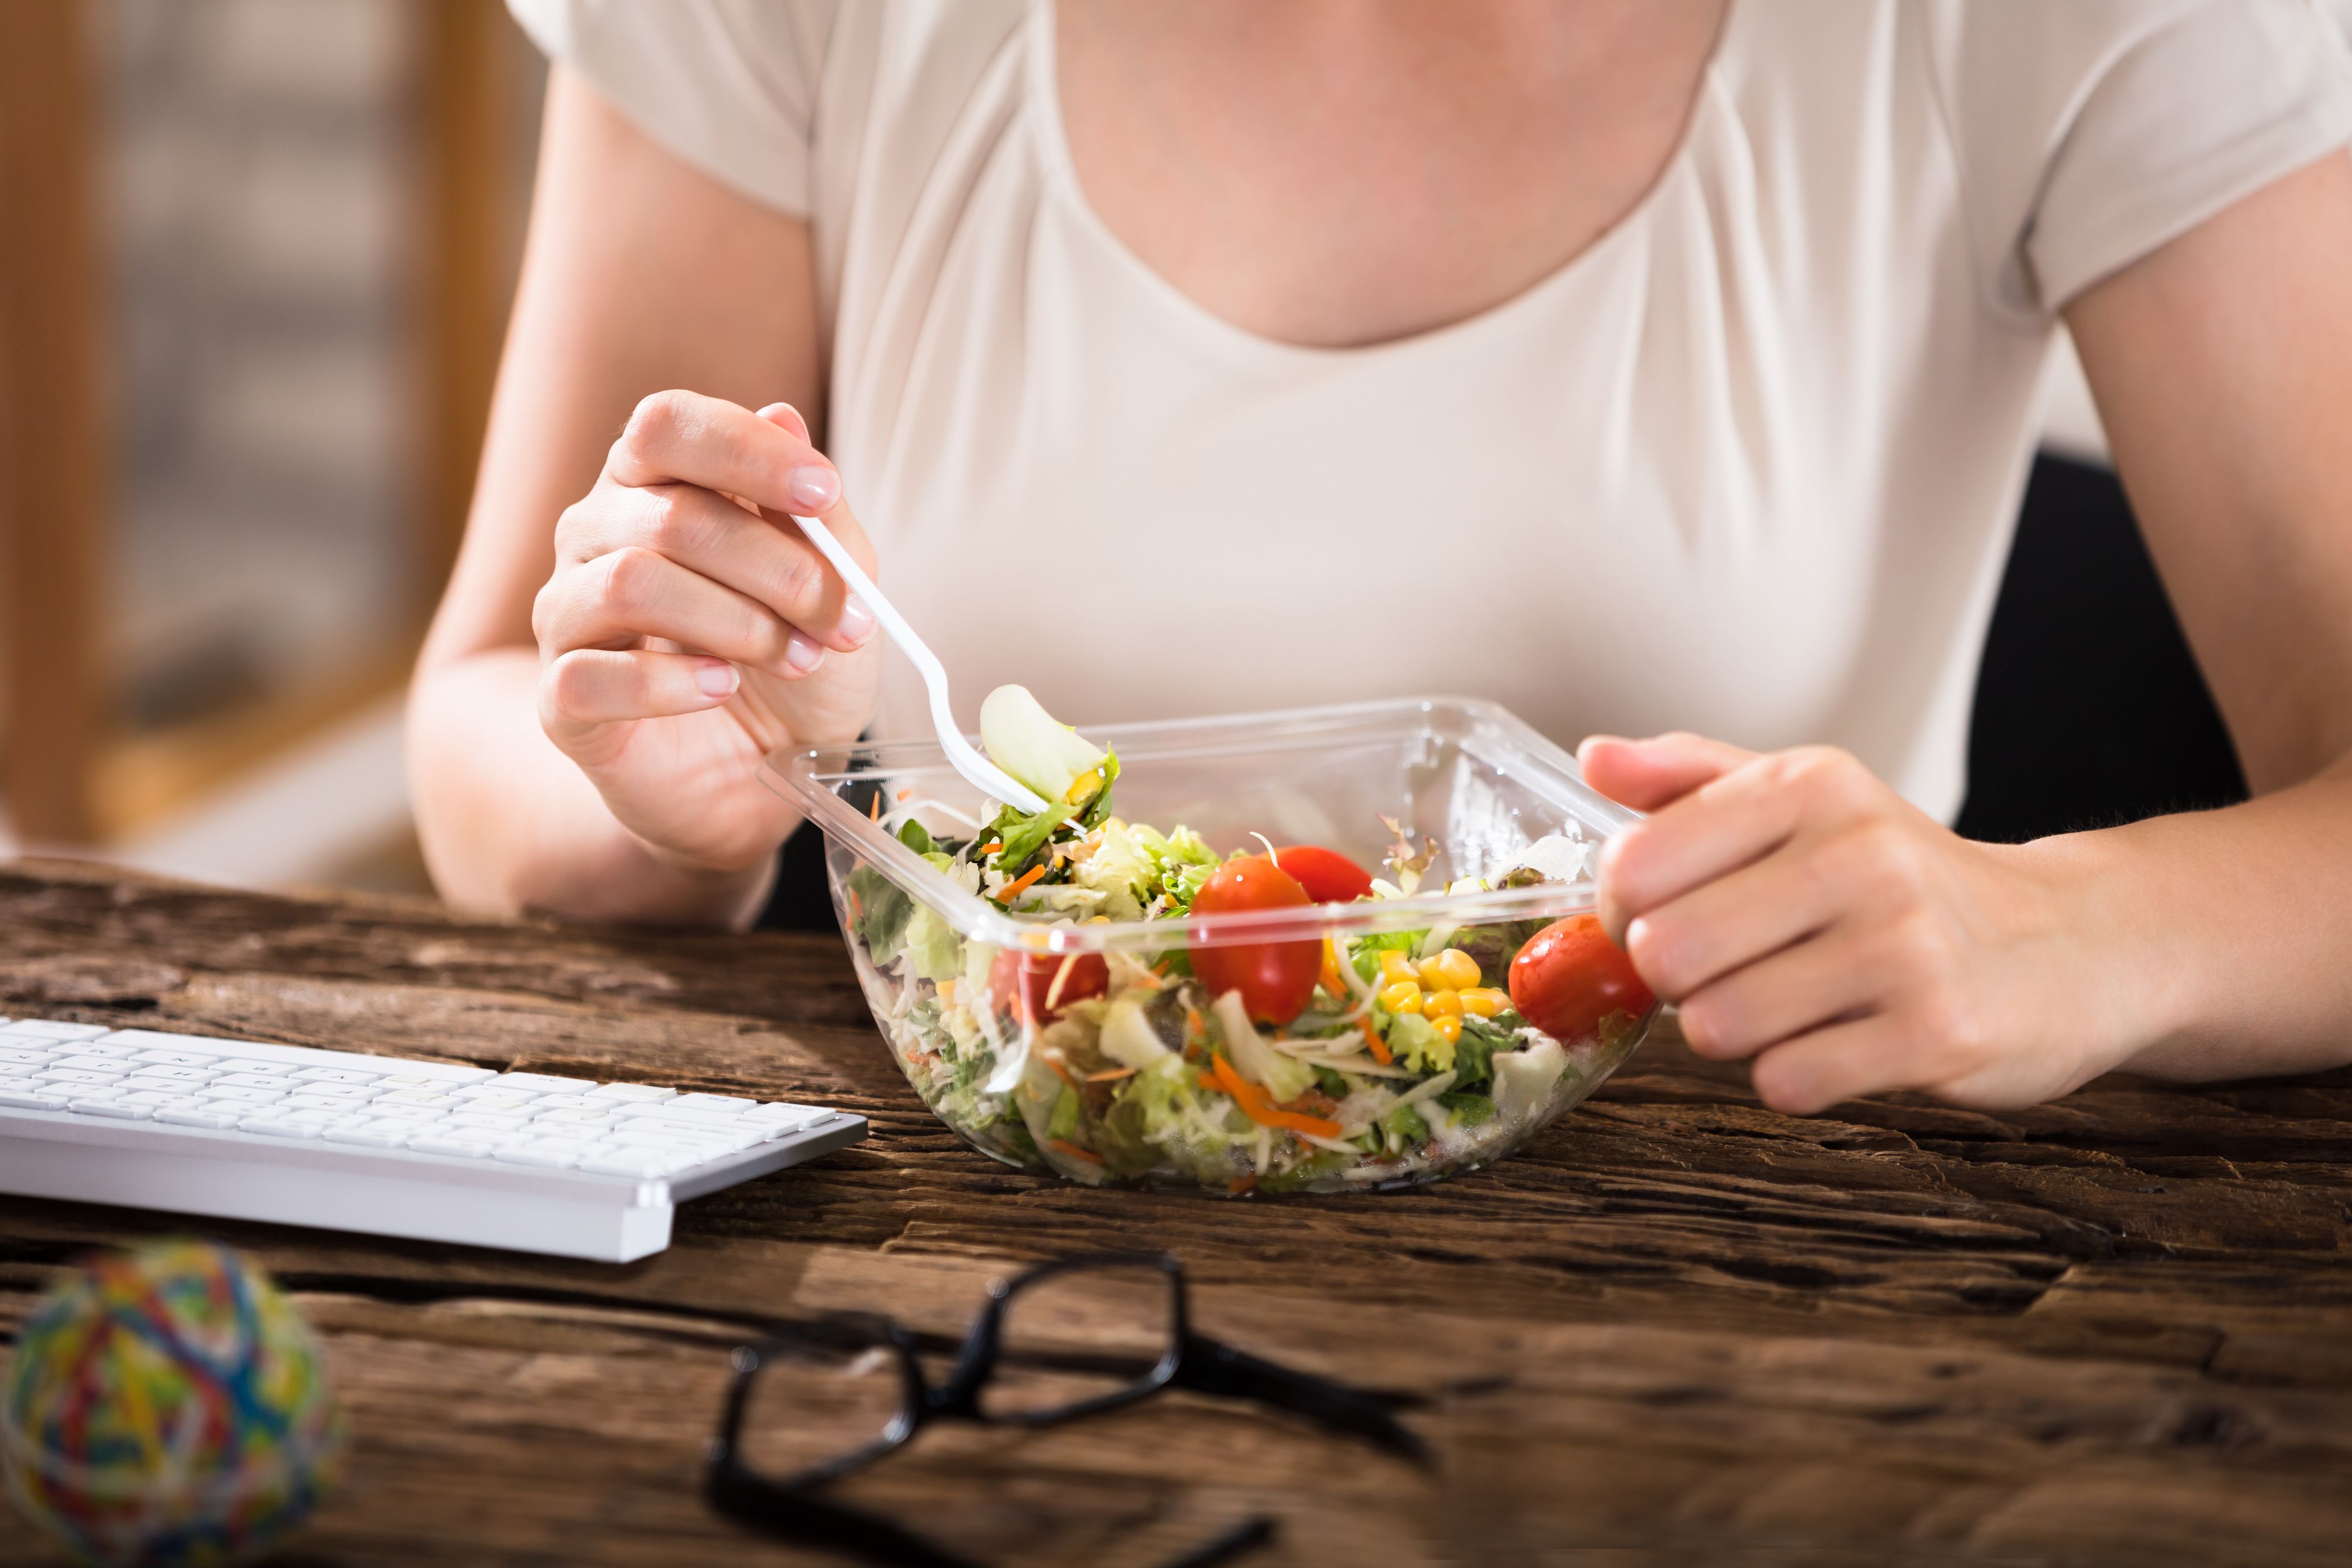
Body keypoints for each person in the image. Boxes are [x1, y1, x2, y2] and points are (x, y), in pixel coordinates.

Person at [409, 1, 2352, 1118]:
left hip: (1765, 1288)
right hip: (966, 1246)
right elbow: (484, 723)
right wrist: (678, 788)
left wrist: (2059, 920)